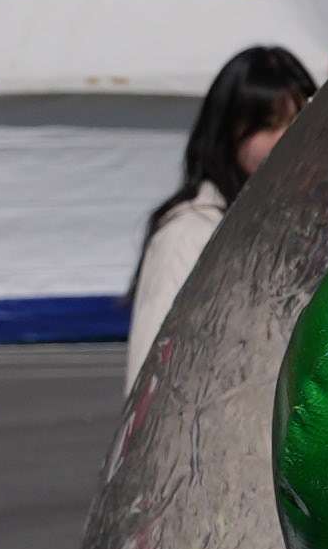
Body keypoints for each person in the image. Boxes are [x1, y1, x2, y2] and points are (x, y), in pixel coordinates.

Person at [124, 44, 316, 387]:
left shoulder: (303, 229)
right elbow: (149, 383)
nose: (286, 138)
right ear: (227, 132)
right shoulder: (190, 235)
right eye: (268, 125)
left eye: (298, 121)